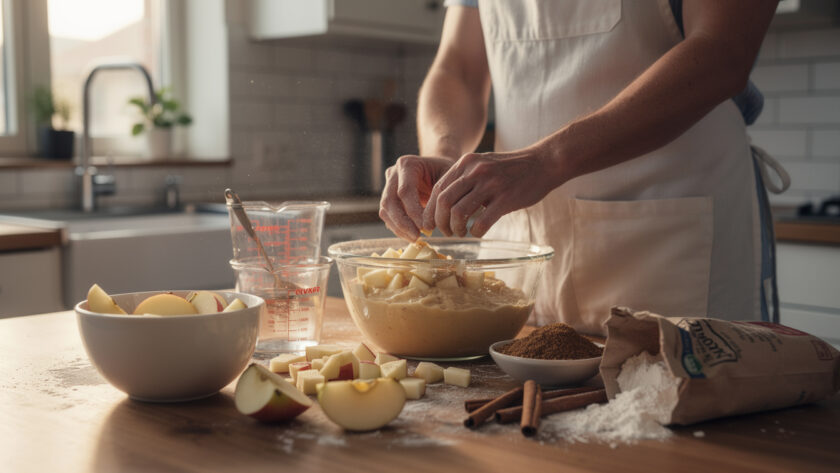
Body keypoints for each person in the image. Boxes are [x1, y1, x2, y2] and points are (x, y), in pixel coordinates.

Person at [378, 0, 789, 335]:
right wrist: (446, 155)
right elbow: (459, 69)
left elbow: (722, 50)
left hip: (669, 238)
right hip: (525, 245)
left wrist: (546, 159)